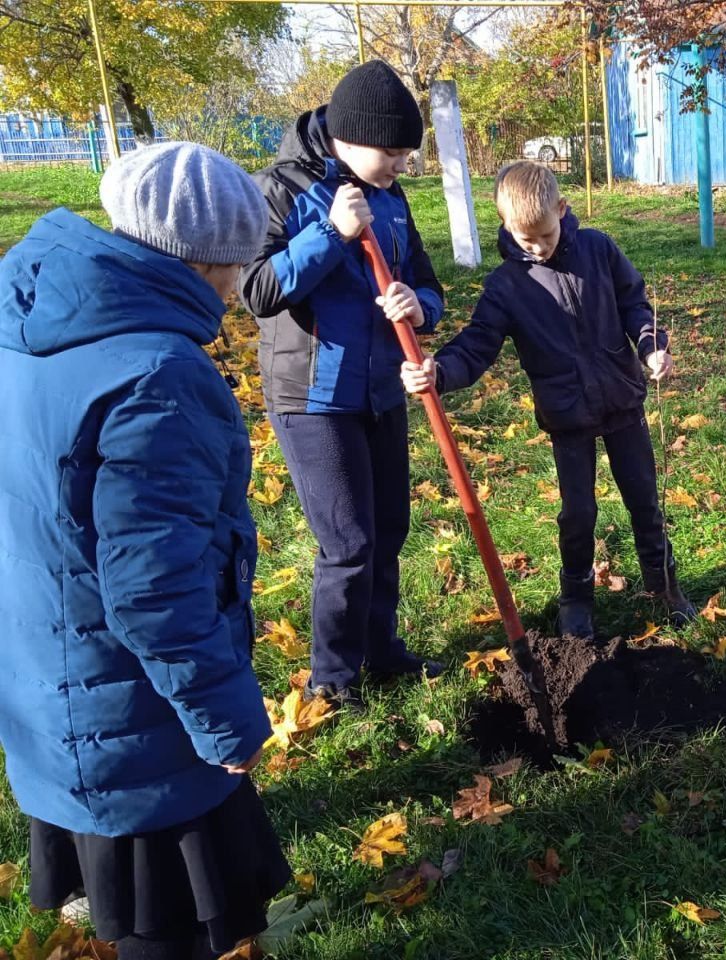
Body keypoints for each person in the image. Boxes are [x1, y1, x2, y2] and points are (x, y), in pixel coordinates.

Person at [0, 142, 290, 960]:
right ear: (205, 261)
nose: (240, 293)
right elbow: (157, 591)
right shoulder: (158, 375)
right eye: (238, 268)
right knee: (167, 932)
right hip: (134, 717)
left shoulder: (34, 326)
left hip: (52, 684)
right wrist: (228, 723)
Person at [400, 160, 695, 641]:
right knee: (578, 512)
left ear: (563, 208)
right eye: (524, 239)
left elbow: (634, 303)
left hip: (622, 401)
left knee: (644, 498)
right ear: (506, 227)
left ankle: (664, 585)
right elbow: (477, 344)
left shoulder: (598, 250)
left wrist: (650, 345)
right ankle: (575, 598)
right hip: (567, 415)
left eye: (545, 234)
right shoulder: (506, 287)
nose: (537, 247)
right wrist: (440, 371)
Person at [240, 59, 446, 708]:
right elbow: (257, 291)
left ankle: (381, 651)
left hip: (382, 388)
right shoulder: (278, 191)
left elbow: (429, 285)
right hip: (312, 397)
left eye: (406, 157)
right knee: (348, 542)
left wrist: (420, 307)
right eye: (391, 154)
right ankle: (333, 677)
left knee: (389, 528)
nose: (399, 168)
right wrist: (333, 233)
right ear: (348, 137)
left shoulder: (391, 197)